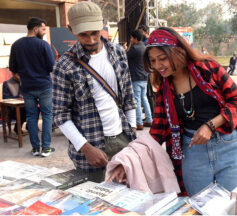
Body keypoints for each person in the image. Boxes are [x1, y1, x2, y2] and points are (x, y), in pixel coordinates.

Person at [108, 27, 237, 196]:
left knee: (234, 205)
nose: (158, 65)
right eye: (152, 61)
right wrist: (127, 162)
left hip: (228, 146)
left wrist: (210, 126)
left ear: (178, 52)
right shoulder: (164, 89)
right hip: (192, 152)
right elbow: (156, 133)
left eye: (162, 58)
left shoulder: (208, 68)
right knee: (198, 206)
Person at [52, 1, 137, 182]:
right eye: (83, 35)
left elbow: (128, 96)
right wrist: (86, 148)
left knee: (128, 196)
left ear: (101, 26)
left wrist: (133, 132)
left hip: (123, 137)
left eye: (95, 33)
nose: (90, 40)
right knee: (96, 203)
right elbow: (60, 115)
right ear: (70, 29)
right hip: (90, 145)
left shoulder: (118, 52)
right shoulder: (65, 66)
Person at [9, 17, 55, 157]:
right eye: (42, 29)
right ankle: (46, 148)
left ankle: (35, 148)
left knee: (31, 116)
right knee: (47, 116)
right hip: (44, 86)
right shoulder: (43, 45)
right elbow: (51, 66)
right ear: (35, 29)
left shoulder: (16, 45)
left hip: (27, 87)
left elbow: (12, 67)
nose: (43, 32)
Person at [124, 30, 152, 130]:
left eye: (131, 38)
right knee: (144, 99)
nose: (131, 40)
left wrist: (125, 49)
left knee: (137, 100)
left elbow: (124, 57)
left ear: (136, 38)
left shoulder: (134, 49)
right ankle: (149, 120)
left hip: (136, 78)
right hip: (144, 78)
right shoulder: (145, 48)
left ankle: (139, 123)